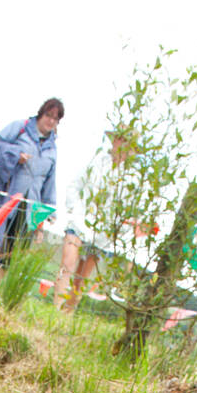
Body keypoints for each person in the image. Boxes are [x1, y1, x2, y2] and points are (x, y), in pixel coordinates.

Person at [0, 98, 64, 270]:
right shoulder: (20, 128)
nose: (51, 121)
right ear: (41, 114)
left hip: (29, 203)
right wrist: (15, 155)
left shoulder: (53, 148)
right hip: (6, 194)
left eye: (55, 118)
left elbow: (50, 180)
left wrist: (50, 209)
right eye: (48, 115)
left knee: (14, 249)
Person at [54, 129, 137, 311]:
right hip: (78, 222)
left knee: (82, 277)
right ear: (114, 141)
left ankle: (67, 313)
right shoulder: (96, 162)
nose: (122, 146)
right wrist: (74, 210)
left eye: (128, 143)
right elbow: (74, 185)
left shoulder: (131, 178)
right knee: (67, 262)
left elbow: (128, 211)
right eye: (120, 140)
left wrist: (116, 231)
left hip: (102, 234)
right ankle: (55, 308)